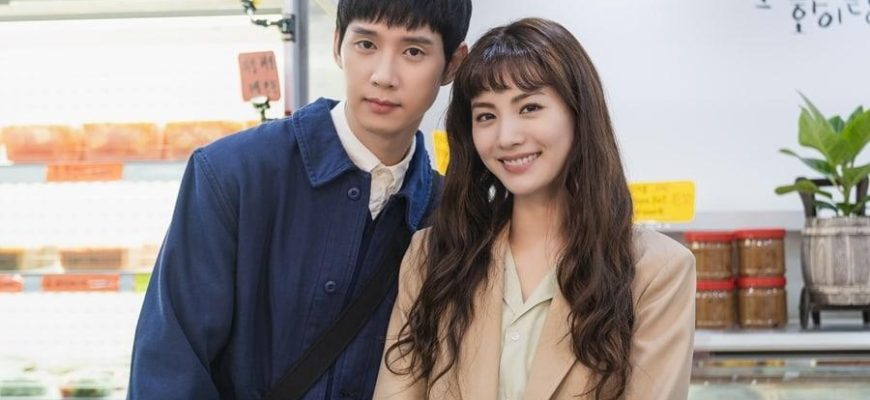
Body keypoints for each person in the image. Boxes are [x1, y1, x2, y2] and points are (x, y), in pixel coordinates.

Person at [128, 0, 471, 398]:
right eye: (366, 44)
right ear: (337, 44)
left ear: (452, 64)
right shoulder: (233, 173)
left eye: (413, 51)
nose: (383, 76)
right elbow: (169, 370)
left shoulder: (453, 216)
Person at [373, 17, 695, 400]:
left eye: (529, 108)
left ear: (578, 112)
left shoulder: (657, 271)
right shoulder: (432, 257)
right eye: (486, 116)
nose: (507, 137)